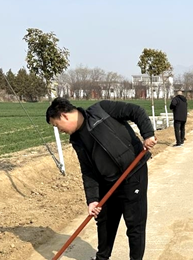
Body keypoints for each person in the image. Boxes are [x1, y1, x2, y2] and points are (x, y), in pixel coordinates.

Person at [46, 97, 157, 260]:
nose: (59, 130)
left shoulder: (102, 109)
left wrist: (147, 134)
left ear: (64, 115)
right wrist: (92, 199)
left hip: (132, 174)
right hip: (107, 182)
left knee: (134, 224)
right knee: (104, 221)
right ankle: (102, 258)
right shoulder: (77, 140)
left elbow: (136, 111)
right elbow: (88, 170)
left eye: (56, 125)